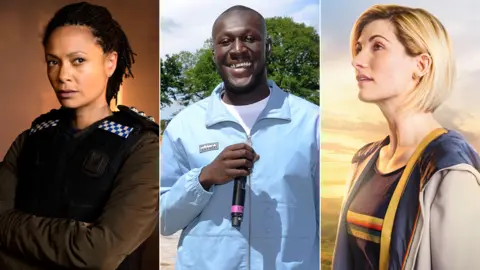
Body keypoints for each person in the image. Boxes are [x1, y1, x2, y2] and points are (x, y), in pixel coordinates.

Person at [0, 2, 159, 269]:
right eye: (53, 62)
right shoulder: (30, 139)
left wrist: (9, 228)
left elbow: (99, 253)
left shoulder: (143, 147)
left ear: (110, 62)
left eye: (78, 61)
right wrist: (75, 239)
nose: (63, 76)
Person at [160, 5, 319, 270]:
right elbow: (162, 220)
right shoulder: (183, 126)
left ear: (267, 47)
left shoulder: (312, 123)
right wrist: (204, 178)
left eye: (249, 38)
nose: (237, 49)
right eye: (225, 41)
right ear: (214, 53)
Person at [331, 4, 480, 270]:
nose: (357, 60)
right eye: (359, 47)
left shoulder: (450, 168)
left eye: (377, 46)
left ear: (421, 64)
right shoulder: (363, 159)